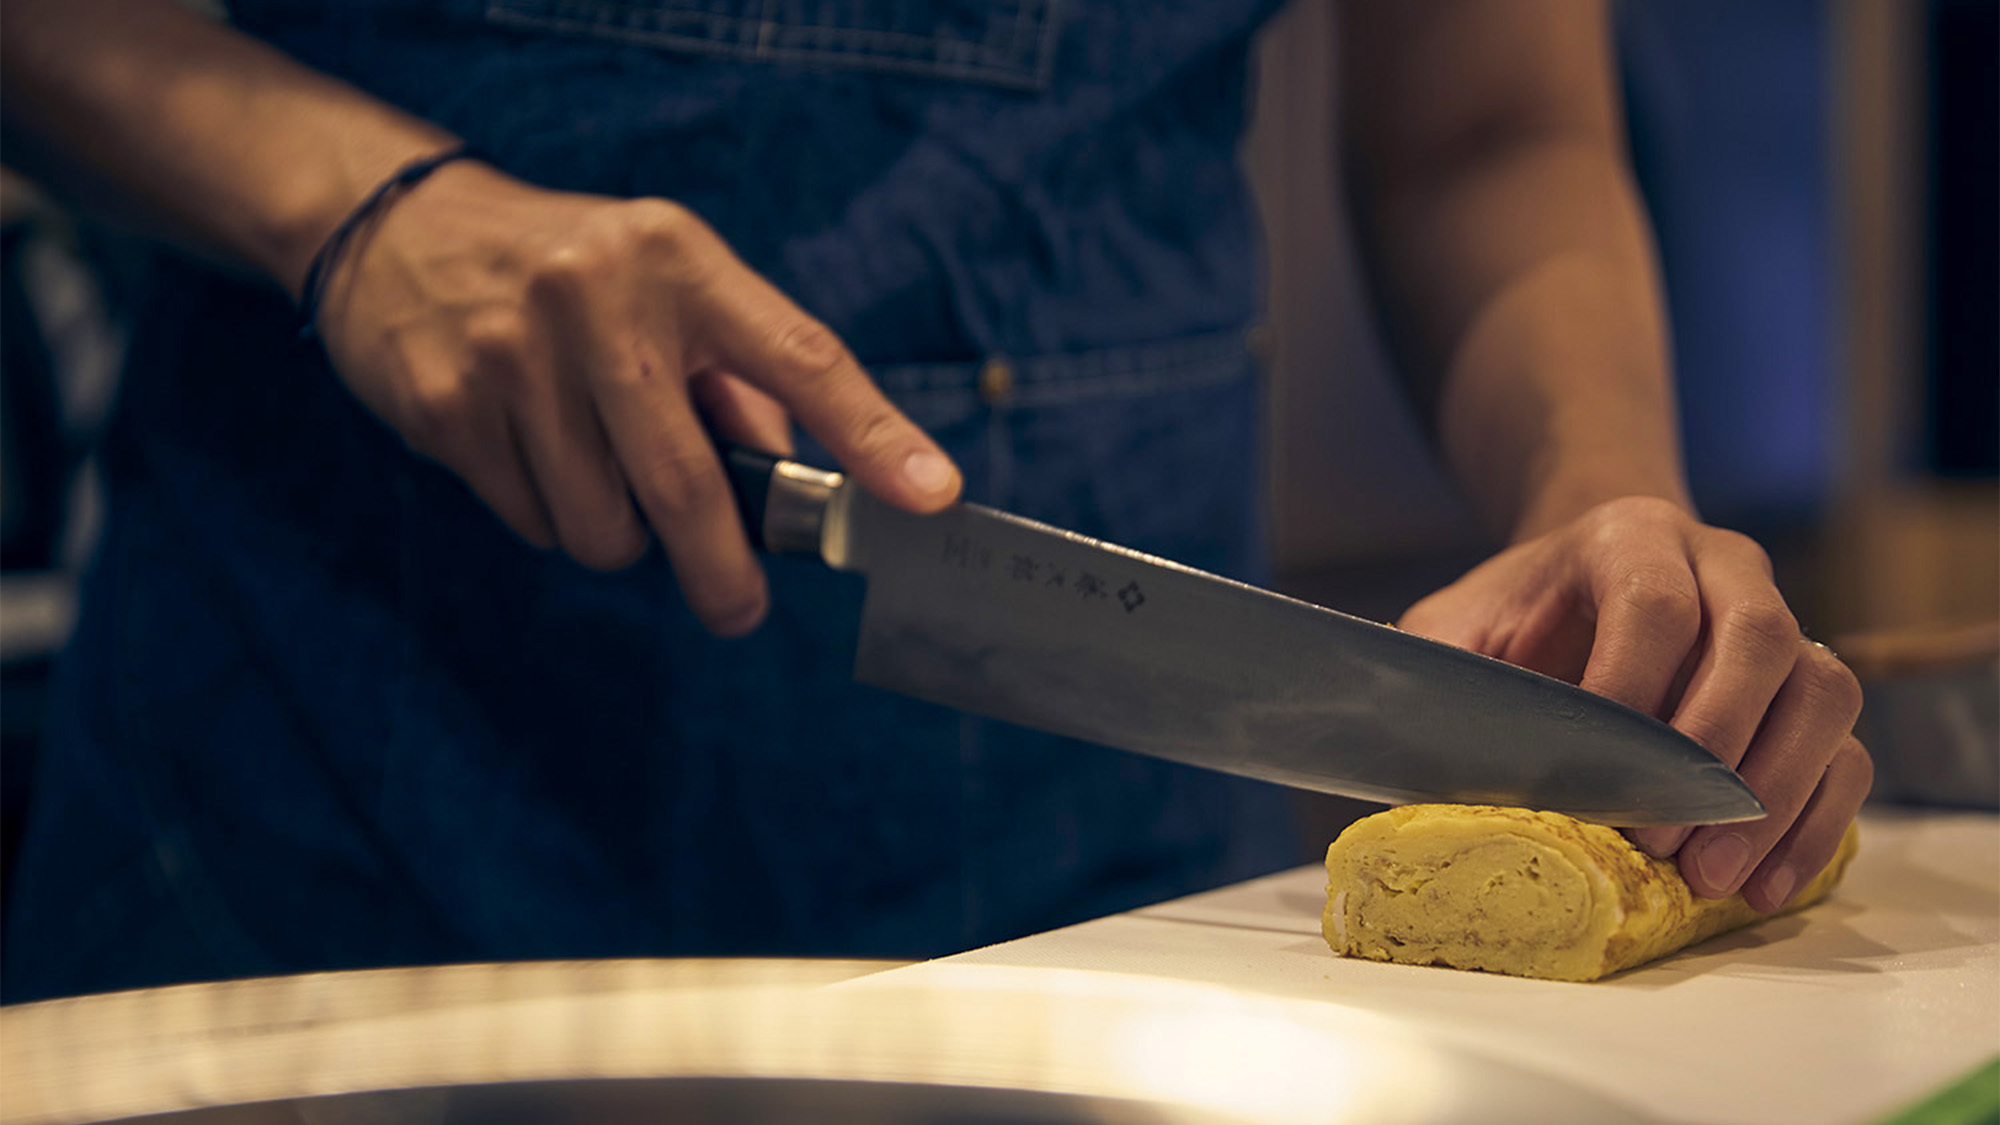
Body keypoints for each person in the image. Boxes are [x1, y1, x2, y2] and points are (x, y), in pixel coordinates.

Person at [0, 0, 1870, 1001]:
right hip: (305, 787)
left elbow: (1492, 127)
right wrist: (360, 199)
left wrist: (1606, 487)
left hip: (1088, 890)